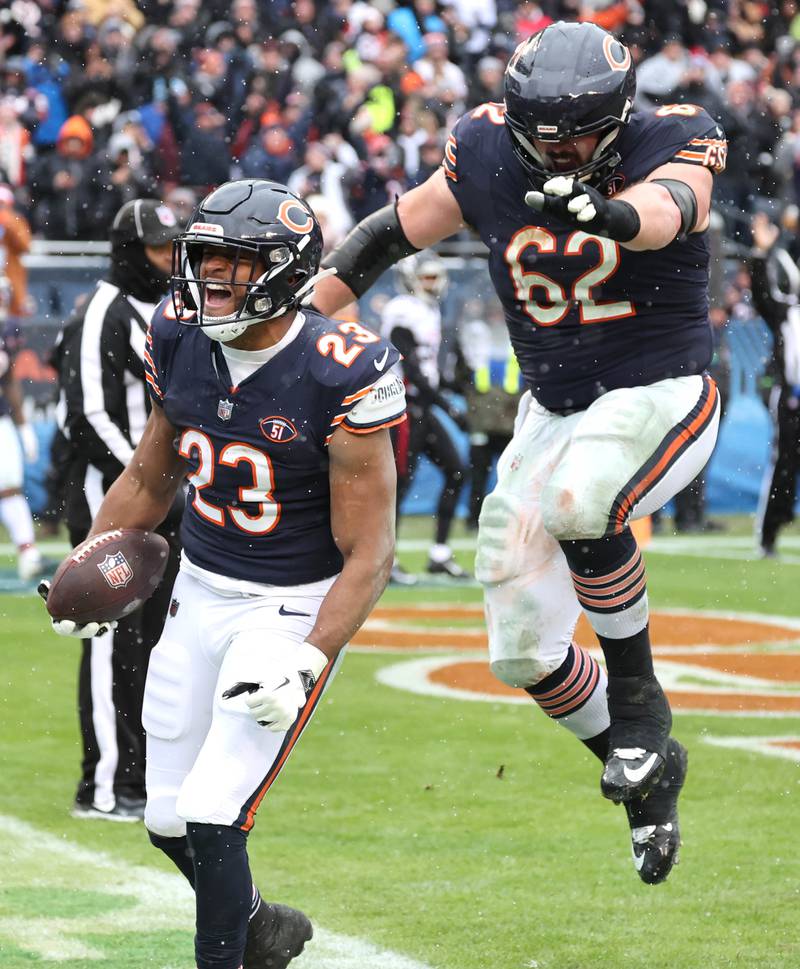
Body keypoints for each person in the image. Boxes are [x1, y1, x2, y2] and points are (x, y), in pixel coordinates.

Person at [313, 21, 727, 885]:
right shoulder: (485, 147)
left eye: (576, 130)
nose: (556, 145)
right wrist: (301, 317)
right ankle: (647, 772)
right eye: (542, 126)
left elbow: (672, 209)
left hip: (662, 389)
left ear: (617, 117)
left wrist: (609, 211)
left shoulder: (675, 132)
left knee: (583, 500)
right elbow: (393, 231)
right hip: (556, 406)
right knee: (521, 651)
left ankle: (644, 706)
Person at [43, 179, 404, 969]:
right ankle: (262, 928)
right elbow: (147, 478)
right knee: (167, 817)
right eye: (202, 257)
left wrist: (309, 656)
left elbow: (371, 553)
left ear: (282, 272)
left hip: (287, 606)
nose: (207, 277)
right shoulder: (178, 333)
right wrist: (90, 562)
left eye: (231, 263)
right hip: (198, 589)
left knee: (213, 811)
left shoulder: (341, 367)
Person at [53, 198, 183, 821]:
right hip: (110, 504)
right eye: (158, 248)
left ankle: (145, 777)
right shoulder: (100, 311)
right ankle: (106, 785)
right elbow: (87, 417)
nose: (169, 260)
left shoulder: (156, 311)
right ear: (130, 250)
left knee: (157, 643)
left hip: (157, 504)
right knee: (111, 640)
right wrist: (147, 480)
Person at [381, 250, 469, 581]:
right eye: (425, 278)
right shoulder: (402, 310)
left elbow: (429, 370)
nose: (432, 285)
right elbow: (412, 369)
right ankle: (384, 562)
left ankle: (440, 554)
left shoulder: (428, 310)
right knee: (398, 485)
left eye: (435, 277)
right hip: (403, 408)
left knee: (457, 471)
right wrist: (449, 407)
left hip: (422, 407)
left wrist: (459, 388)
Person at [750, 210, 800, 557]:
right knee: (784, 463)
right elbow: (761, 294)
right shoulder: (786, 311)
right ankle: (769, 535)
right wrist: (760, 254)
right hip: (792, 397)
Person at [0, 276, 43, 581]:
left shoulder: (7, 329)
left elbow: (10, 380)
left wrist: (24, 426)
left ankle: (28, 550)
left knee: (10, 486)